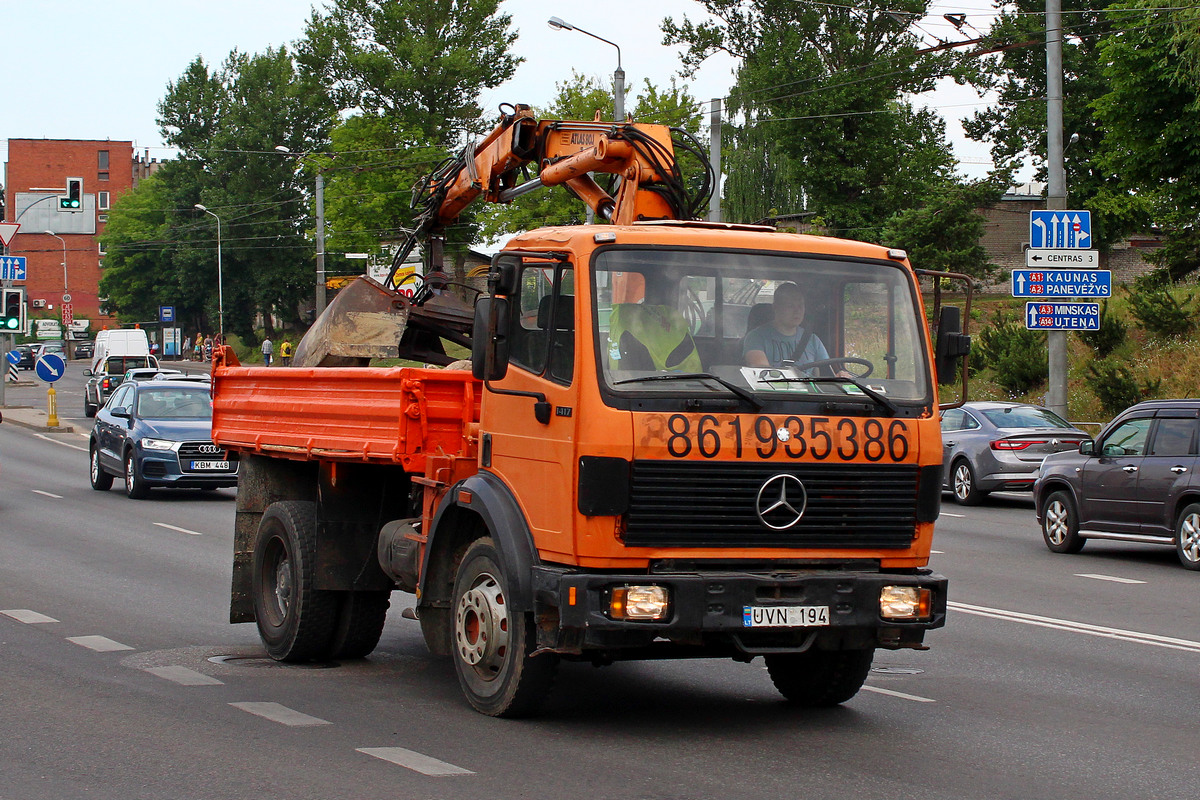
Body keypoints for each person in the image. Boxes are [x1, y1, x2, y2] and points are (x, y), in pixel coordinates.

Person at [743, 282, 832, 370]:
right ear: (776, 307)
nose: (797, 311)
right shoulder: (756, 337)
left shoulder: (812, 340)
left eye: (800, 305)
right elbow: (761, 371)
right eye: (791, 306)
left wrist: (840, 374)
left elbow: (827, 371)